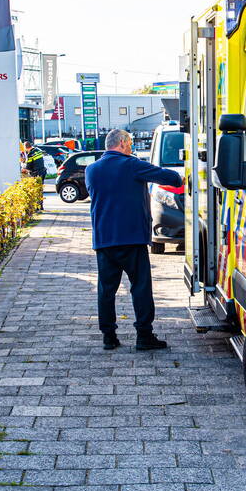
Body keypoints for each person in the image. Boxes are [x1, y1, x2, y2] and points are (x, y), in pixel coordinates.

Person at [85, 129, 183, 350]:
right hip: (132, 239)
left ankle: (108, 337)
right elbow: (168, 177)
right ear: (121, 143)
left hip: (104, 240)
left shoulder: (91, 170)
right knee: (140, 288)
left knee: (106, 291)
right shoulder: (132, 165)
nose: (131, 147)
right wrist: (180, 177)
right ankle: (144, 336)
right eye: (129, 143)